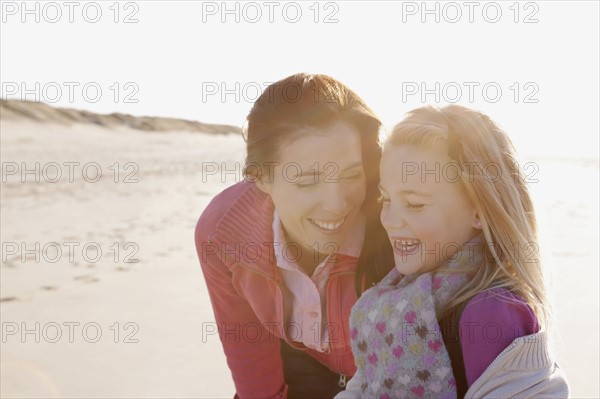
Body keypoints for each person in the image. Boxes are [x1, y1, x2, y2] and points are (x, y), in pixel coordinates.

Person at [337, 105, 569, 398]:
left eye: (415, 204)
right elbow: (363, 387)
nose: (390, 220)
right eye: (386, 198)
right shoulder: (397, 301)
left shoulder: (492, 313)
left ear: (479, 209)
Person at [195, 73, 393, 399]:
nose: (337, 203)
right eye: (307, 180)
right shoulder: (222, 235)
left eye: (352, 174)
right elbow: (251, 359)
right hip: (299, 361)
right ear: (260, 178)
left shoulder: (395, 222)